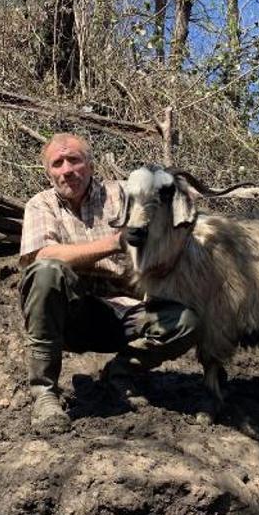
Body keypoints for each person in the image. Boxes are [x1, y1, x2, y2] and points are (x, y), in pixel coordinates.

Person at [19, 133, 200, 434]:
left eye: (74, 160)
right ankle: (44, 394)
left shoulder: (123, 194)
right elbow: (44, 254)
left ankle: (121, 371)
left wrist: (180, 204)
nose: (67, 170)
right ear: (48, 172)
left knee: (188, 322)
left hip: (128, 312)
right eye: (57, 163)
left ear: (90, 164)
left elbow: (171, 208)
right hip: (72, 316)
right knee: (47, 270)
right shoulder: (40, 205)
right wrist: (116, 242)